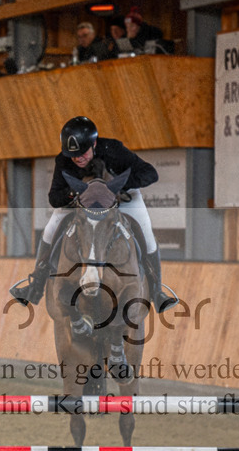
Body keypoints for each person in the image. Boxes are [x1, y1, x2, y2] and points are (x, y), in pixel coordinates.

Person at [10, 116, 178, 313]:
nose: (78, 158)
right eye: (74, 155)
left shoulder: (113, 150)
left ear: (94, 143)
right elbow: (54, 198)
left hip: (121, 198)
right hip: (83, 202)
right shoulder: (63, 160)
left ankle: (157, 292)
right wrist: (77, 191)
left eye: (83, 153)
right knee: (50, 229)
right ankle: (36, 285)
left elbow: (150, 173)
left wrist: (116, 184)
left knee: (147, 235)